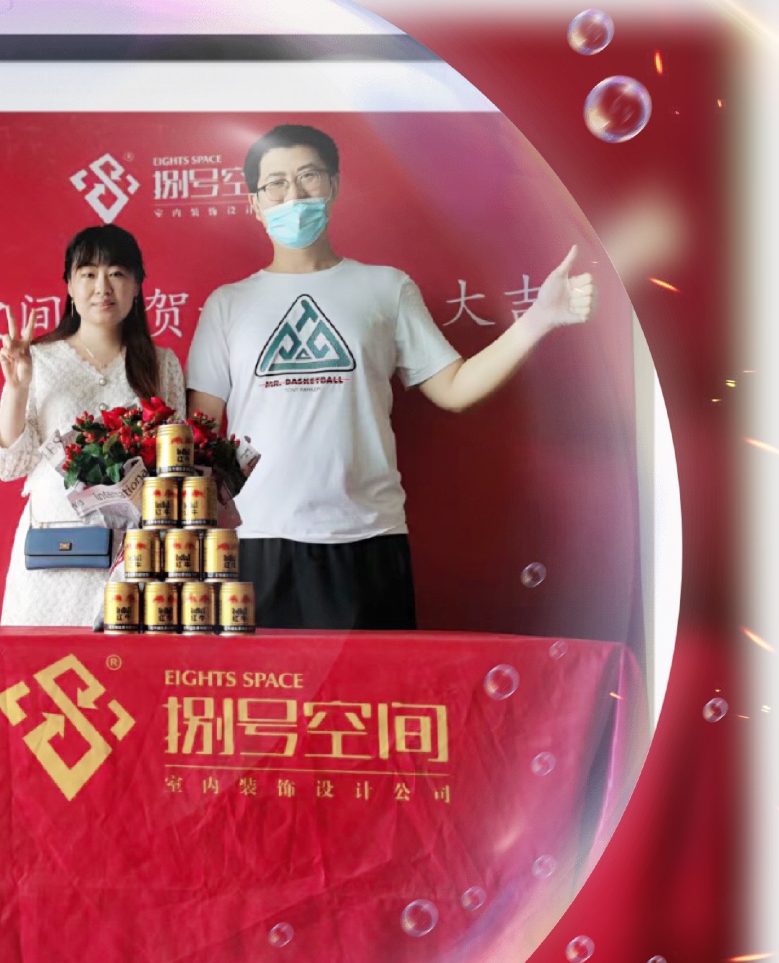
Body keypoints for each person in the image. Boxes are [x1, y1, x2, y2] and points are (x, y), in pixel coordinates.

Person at [186, 123, 596, 631]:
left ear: (334, 184)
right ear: (254, 202)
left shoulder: (385, 288)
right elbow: (200, 434)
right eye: (276, 183)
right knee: (267, 686)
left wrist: (540, 318)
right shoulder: (228, 305)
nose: (293, 195)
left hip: (367, 537)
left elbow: (454, 388)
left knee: (372, 683)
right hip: (254, 538)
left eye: (309, 176)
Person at [0, 224, 186, 626]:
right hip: (53, 555)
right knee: (46, 663)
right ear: (70, 287)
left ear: (136, 285)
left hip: (134, 558)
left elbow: (176, 468)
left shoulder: (161, 364)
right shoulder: (38, 359)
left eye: (117, 273)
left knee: (127, 665)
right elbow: (7, 465)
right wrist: (17, 388)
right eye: (89, 274)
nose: (102, 287)